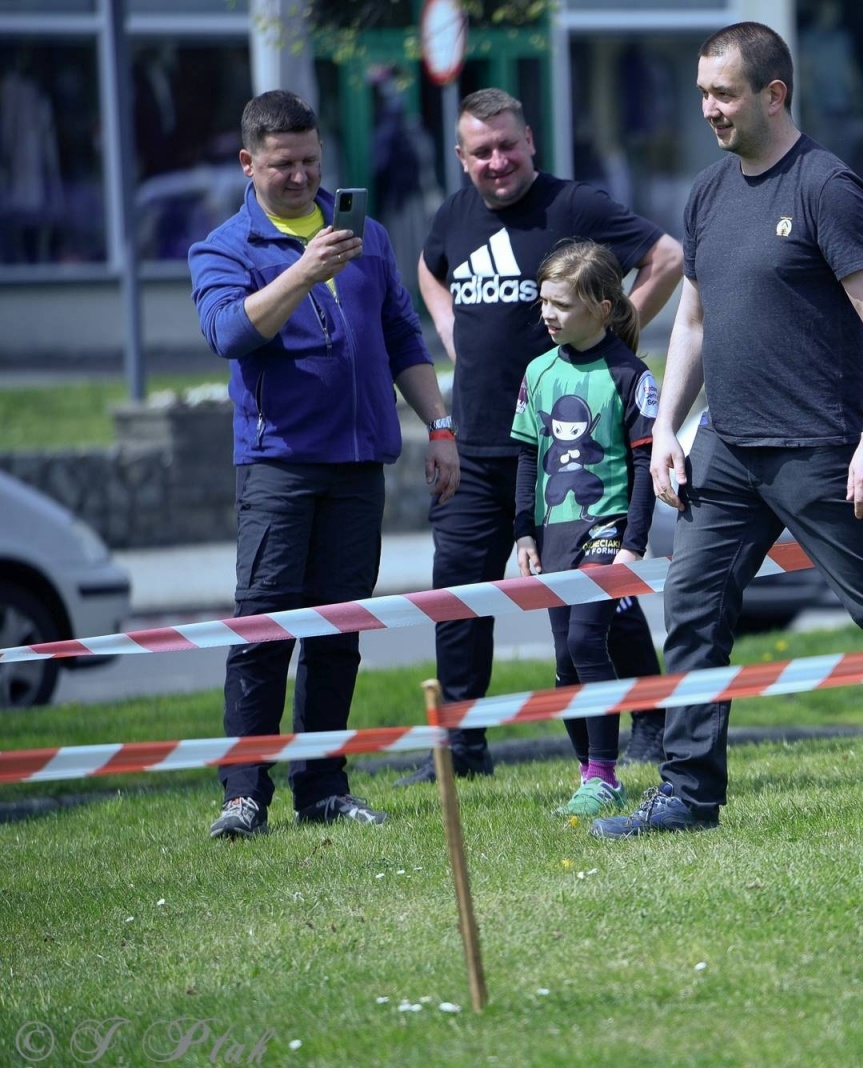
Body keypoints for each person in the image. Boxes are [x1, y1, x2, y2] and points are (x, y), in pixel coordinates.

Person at [591, 21, 863, 839]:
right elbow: (689, 323)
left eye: (722, 94)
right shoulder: (708, 191)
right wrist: (667, 430)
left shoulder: (826, 185)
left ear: (773, 93)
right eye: (701, 94)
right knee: (693, 612)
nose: (709, 110)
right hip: (724, 446)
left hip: (816, 446)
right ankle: (689, 794)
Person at [189, 90, 460, 839]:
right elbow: (229, 333)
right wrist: (304, 272)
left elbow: (405, 338)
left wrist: (439, 426)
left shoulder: (363, 236)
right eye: (284, 165)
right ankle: (243, 793)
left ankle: (324, 787)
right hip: (279, 465)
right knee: (264, 629)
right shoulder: (223, 248)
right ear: (249, 164)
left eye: (311, 161)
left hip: (359, 465)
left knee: (339, 631)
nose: (303, 177)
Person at [400, 88, 684, 786]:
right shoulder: (454, 215)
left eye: (508, 145)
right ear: (462, 158)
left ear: (530, 139)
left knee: (598, 597)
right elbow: (427, 270)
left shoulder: (575, 207)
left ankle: (648, 721)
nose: (498, 161)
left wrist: (620, 326)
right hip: (477, 447)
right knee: (458, 600)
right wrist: (447, 329)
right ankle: (461, 748)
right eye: (482, 151)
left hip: (574, 455)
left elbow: (668, 256)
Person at [509, 241, 659, 816]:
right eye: (543, 302)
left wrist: (633, 544)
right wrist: (524, 531)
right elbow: (527, 456)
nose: (548, 314)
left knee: (585, 641)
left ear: (601, 307)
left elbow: (646, 464)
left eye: (562, 305)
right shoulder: (537, 371)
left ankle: (605, 774)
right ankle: (586, 770)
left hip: (606, 527)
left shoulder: (630, 375)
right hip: (554, 535)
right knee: (564, 661)